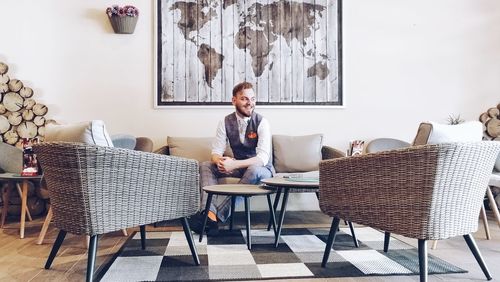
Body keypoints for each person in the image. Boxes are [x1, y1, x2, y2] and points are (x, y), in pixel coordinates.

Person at [190, 82, 274, 235]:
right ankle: (208, 212)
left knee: (254, 170)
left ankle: (213, 216)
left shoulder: (262, 122)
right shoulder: (224, 122)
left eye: (253, 99)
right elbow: (216, 152)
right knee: (206, 165)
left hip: (263, 170)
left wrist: (234, 164)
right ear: (233, 100)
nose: (250, 103)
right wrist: (220, 162)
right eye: (244, 99)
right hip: (239, 168)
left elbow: (262, 158)